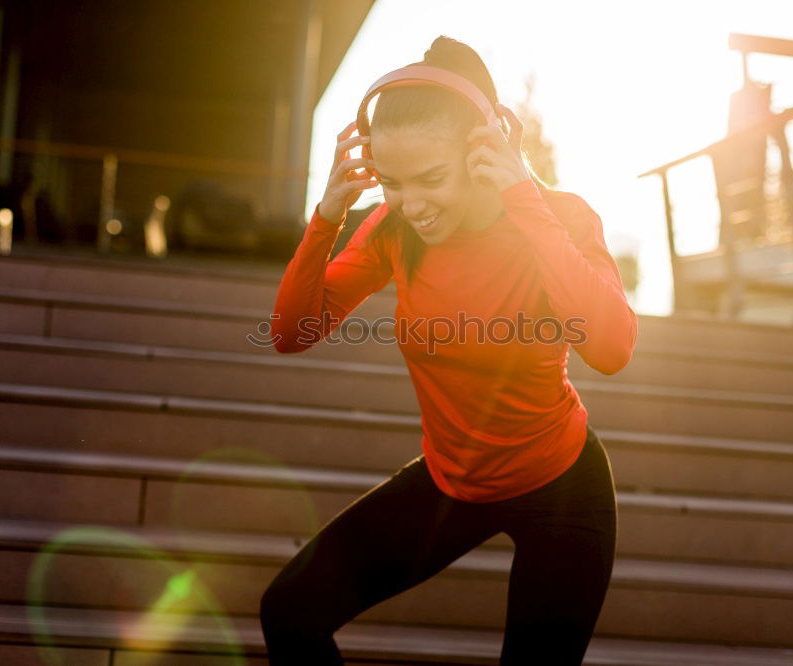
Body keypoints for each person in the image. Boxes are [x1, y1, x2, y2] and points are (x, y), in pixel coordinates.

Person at [262, 35, 638, 666]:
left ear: (482, 150)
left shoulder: (560, 218)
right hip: (450, 483)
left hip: (562, 486)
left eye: (430, 179)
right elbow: (292, 332)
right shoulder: (394, 229)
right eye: (391, 183)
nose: (410, 204)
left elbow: (612, 348)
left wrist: (525, 200)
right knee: (290, 611)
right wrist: (327, 218)